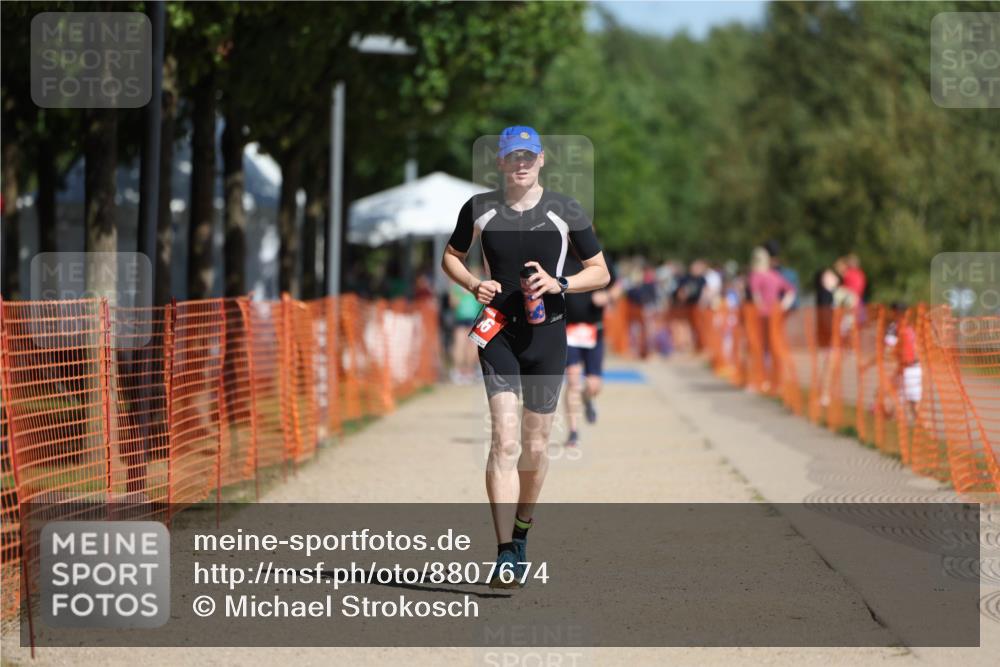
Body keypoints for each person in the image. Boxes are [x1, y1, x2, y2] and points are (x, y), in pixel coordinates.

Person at [441, 126, 610, 589]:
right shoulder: (478, 209)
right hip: (498, 334)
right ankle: (504, 553)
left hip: (547, 337)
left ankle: (521, 532)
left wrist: (561, 284)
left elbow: (600, 271)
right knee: (505, 442)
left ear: (541, 160)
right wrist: (473, 284)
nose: (520, 163)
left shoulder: (564, 210)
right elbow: (451, 256)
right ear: (499, 162)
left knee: (535, 447)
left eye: (528, 156)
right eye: (512, 156)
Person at [562, 251, 616, 447]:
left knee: (593, 385)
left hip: (594, 330)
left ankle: (588, 399)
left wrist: (608, 296)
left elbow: (618, 286)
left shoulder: (602, 258)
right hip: (569, 329)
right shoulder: (560, 257)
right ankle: (573, 431)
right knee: (573, 379)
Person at [748, 246, 796, 392]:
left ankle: (763, 380)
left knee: (761, 349)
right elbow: (791, 291)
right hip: (776, 315)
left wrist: (761, 307)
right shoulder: (774, 275)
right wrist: (783, 306)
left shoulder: (756, 276)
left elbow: (756, 297)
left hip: (762, 316)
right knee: (775, 348)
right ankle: (777, 380)